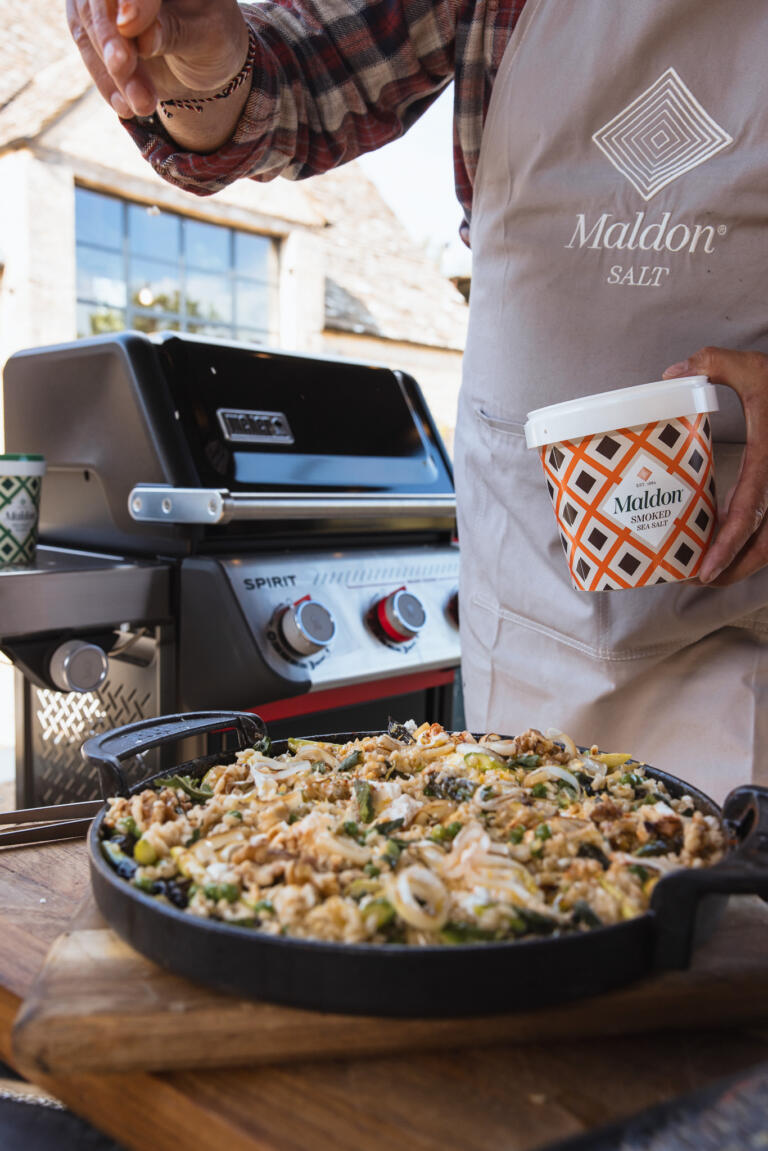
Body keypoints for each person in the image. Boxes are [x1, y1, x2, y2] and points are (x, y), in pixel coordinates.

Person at [68, 0, 768, 800]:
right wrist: (203, 68)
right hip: (541, 604)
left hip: (752, 613)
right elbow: (294, 88)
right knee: (520, 878)